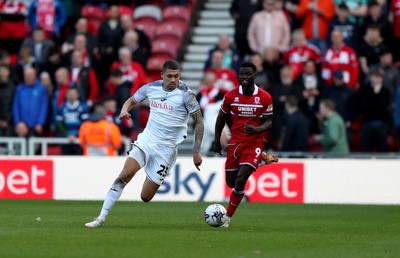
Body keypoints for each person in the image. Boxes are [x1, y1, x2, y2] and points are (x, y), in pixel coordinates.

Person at [85, 60, 204, 228]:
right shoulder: (151, 88)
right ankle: (101, 218)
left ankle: (151, 174)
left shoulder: (186, 95)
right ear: (161, 75)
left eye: (176, 76)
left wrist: (196, 151)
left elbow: (199, 122)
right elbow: (132, 100)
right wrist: (124, 110)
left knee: (145, 197)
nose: (173, 80)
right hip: (147, 140)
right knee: (125, 174)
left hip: (167, 150)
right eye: (169, 76)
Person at [213, 61, 277, 227]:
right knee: (231, 183)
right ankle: (261, 160)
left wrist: (257, 130)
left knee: (241, 180)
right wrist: (216, 140)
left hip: (254, 142)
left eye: (248, 74)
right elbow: (221, 117)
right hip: (235, 142)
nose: (244, 77)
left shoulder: (264, 97)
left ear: (255, 75)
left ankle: (227, 217)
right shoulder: (230, 96)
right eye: (242, 74)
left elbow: (269, 122)